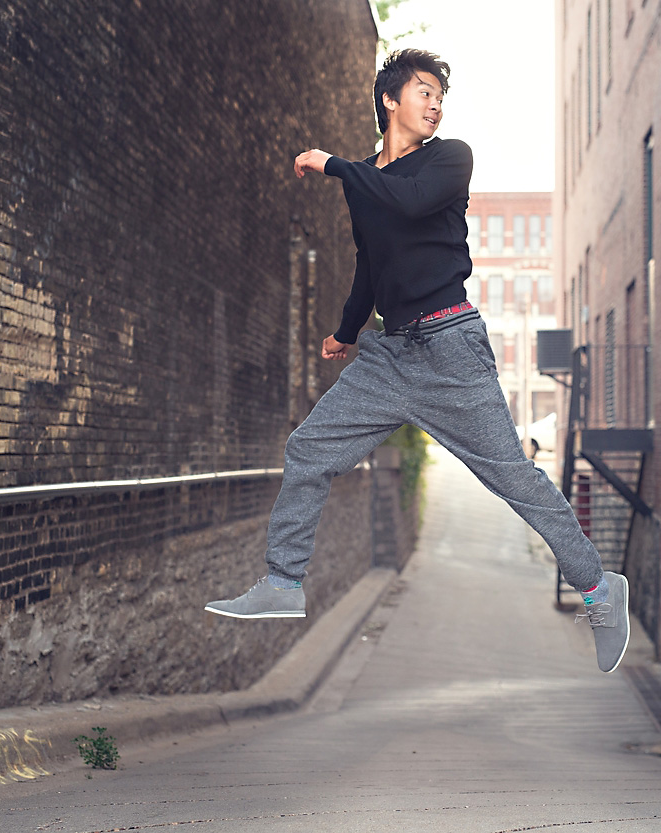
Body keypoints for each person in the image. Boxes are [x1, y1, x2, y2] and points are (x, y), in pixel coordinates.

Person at [204, 49, 630, 673]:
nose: (435, 104)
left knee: (513, 477)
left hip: (452, 348)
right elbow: (370, 263)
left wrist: (336, 165)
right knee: (308, 448)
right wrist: (347, 331)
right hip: (389, 355)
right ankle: (284, 582)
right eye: (424, 92)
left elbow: (406, 202)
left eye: (439, 96)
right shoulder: (365, 180)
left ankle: (599, 588)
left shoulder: (450, 158)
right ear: (389, 100)